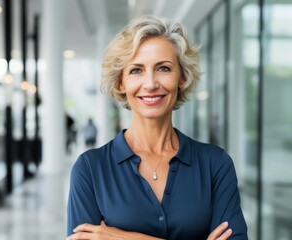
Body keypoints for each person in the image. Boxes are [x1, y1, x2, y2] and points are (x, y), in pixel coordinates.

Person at [67, 15, 248, 240]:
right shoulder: (90, 169)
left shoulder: (215, 165)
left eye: (163, 68)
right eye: (136, 70)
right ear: (121, 82)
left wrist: (124, 238)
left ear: (181, 77)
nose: (151, 84)